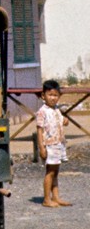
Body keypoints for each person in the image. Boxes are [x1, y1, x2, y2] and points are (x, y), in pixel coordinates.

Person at [36, 79, 72, 207]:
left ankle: (56, 197)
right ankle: (46, 199)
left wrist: (65, 121)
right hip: (49, 145)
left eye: (55, 95)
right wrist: (41, 148)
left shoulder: (56, 109)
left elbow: (61, 121)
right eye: (50, 95)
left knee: (56, 172)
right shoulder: (42, 111)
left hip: (59, 144)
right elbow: (39, 130)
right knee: (50, 172)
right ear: (43, 95)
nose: (53, 98)